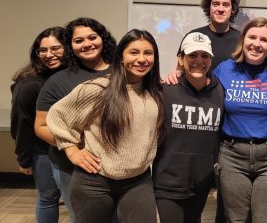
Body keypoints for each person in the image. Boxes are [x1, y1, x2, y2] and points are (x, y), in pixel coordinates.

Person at [46, 29, 163, 223]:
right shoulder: (97, 89)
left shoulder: (156, 93)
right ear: (121, 58)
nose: (142, 59)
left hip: (138, 181)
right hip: (93, 182)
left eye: (148, 53)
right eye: (134, 52)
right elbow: (57, 116)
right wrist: (71, 150)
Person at [35, 18, 117, 222]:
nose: (87, 44)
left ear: (103, 39)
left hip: (117, 167)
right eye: (78, 40)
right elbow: (41, 126)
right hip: (73, 167)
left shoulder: (122, 72)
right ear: (70, 46)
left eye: (92, 37)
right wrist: (72, 149)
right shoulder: (58, 81)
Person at [214, 17, 267, 222]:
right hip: (232, 156)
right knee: (236, 220)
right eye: (252, 37)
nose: (257, 44)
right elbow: (201, 91)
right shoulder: (224, 69)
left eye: (264, 40)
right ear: (243, 40)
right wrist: (177, 73)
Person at [153, 32, 224, 223]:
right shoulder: (165, 90)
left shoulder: (220, 91)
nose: (198, 61)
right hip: (168, 181)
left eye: (205, 56)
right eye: (192, 55)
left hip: (201, 182)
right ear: (181, 58)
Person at [10, 27, 66, 223]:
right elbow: (21, 122)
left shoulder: (72, 77)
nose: (49, 55)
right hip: (43, 152)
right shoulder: (29, 83)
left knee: (72, 201)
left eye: (56, 48)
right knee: (48, 198)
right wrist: (23, 159)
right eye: (43, 50)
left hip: (73, 151)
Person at [164, 0, 241, 82]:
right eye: (216, 4)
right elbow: (180, 71)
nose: (221, 9)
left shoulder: (241, 40)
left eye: (225, 5)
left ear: (232, 9)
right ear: (209, 7)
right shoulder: (193, 36)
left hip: (229, 96)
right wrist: (175, 74)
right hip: (197, 96)